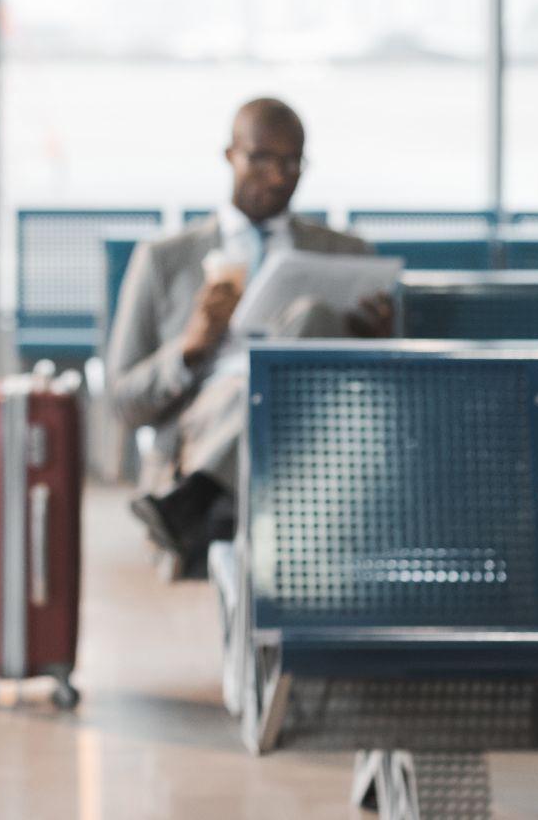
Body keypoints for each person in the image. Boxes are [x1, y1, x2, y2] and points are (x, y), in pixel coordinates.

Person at [106, 97, 394, 572]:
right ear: (230, 155)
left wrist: (379, 342)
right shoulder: (165, 259)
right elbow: (120, 401)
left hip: (317, 431)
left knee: (308, 320)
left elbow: (377, 389)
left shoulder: (346, 252)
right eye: (261, 158)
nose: (279, 176)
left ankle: (201, 498)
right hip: (205, 421)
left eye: (292, 162)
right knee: (253, 386)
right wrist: (191, 346)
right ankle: (212, 492)